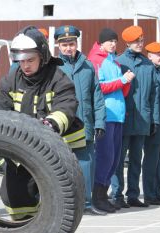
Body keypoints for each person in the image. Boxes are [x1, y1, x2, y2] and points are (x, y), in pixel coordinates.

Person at [0, 25, 85, 220]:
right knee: (11, 193)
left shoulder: (58, 78)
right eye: (21, 61)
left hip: (53, 149)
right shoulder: (13, 77)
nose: (25, 66)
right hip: (21, 148)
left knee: (55, 194)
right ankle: (25, 225)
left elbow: (66, 106)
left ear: (43, 56)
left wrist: (49, 126)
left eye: (30, 60)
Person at [55, 25, 106, 215]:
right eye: (65, 44)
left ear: (77, 43)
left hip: (85, 123)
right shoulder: (54, 67)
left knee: (86, 165)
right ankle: (64, 205)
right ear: (58, 46)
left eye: (72, 43)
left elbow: (97, 97)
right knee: (60, 166)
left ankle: (85, 204)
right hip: (62, 125)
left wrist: (100, 122)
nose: (69, 47)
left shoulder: (88, 66)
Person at [112, 25, 159, 208]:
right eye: (136, 41)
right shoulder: (119, 62)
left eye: (141, 40)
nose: (140, 44)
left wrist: (154, 119)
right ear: (127, 42)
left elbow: (154, 94)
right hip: (122, 118)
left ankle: (133, 195)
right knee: (118, 159)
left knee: (136, 159)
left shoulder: (148, 65)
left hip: (142, 119)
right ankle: (117, 195)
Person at [88, 28, 134, 212]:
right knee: (105, 157)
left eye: (115, 41)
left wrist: (126, 82)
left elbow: (121, 91)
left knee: (114, 159)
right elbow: (99, 87)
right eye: (109, 41)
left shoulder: (113, 61)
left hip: (118, 116)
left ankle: (103, 195)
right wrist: (123, 80)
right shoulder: (96, 60)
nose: (113, 44)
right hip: (105, 115)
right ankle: (97, 197)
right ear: (101, 43)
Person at [142, 42, 160, 205]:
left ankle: (158, 192)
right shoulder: (149, 73)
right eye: (158, 55)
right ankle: (150, 193)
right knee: (151, 160)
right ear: (149, 56)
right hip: (154, 124)